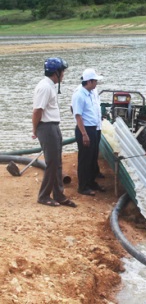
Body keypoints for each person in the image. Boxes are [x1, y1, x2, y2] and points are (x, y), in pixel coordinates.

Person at [32, 57, 76, 208]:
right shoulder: (45, 87)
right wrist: (35, 129)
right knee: (51, 163)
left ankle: (59, 194)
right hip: (47, 127)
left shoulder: (50, 86)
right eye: (62, 71)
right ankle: (44, 196)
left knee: (57, 162)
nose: (63, 74)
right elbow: (37, 110)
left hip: (53, 126)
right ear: (56, 72)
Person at [72, 68, 103, 196]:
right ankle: (83, 186)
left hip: (93, 128)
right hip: (85, 129)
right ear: (89, 82)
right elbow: (77, 115)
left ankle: (91, 182)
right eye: (95, 81)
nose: (96, 84)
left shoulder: (90, 92)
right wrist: (84, 134)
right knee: (85, 159)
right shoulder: (79, 94)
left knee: (92, 157)